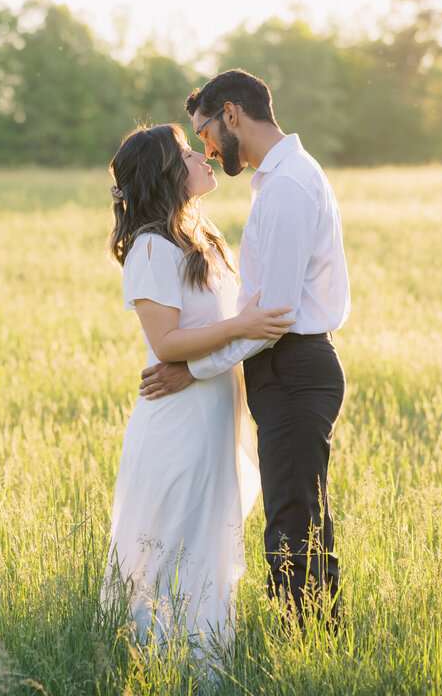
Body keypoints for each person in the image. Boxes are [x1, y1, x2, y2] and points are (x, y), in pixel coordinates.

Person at [139, 69, 351, 628]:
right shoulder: (282, 179)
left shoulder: (284, 188)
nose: (205, 147)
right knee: (303, 512)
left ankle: (308, 642)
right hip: (291, 367)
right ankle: (319, 637)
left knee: (291, 516)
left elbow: (272, 319)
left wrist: (193, 369)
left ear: (231, 114)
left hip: (293, 366)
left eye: (204, 131)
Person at [104, 123, 294, 653]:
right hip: (178, 419)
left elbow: (219, 326)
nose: (204, 156)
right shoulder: (148, 248)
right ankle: (154, 661)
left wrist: (222, 346)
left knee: (210, 533)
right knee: (171, 537)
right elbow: (166, 343)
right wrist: (242, 327)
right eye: (188, 153)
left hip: (211, 405)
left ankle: (207, 653)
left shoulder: (201, 237)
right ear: (167, 173)